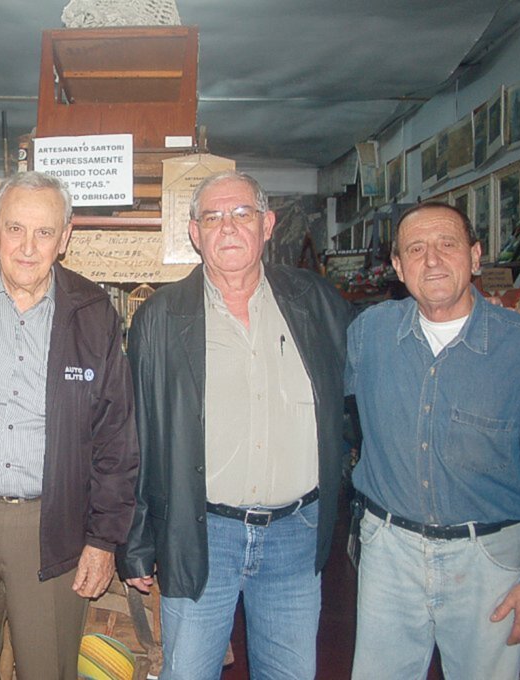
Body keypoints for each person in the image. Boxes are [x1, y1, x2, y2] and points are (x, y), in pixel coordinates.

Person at [118, 171, 352, 679]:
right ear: (194, 233)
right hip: (203, 534)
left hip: (297, 532)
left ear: (267, 225)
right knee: (187, 672)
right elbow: (138, 435)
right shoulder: (159, 318)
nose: (228, 227)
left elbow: (354, 396)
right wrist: (136, 541)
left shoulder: (315, 302)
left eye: (242, 214)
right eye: (213, 217)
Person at [0, 171, 139, 679]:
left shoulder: (94, 313)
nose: (29, 247)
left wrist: (103, 540)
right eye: (16, 229)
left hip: (55, 529)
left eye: (44, 233)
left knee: (49, 670)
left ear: (65, 237)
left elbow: (116, 437)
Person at [347, 202, 520, 679]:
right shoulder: (370, 335)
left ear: (476, 255)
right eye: (416, 250)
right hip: (389, 553)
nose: (433, 261)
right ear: (398, 268)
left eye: (448, 245)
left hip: (491, 562)